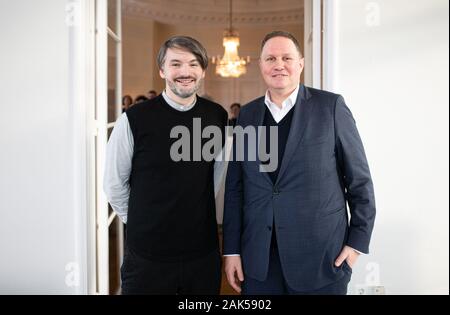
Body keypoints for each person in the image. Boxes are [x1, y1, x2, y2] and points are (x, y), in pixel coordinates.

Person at [223, 31, 376, 295]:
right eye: (270, 58)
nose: (278, 64)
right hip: (259, 264)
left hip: (321, 261)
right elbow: (236, 188)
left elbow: (360, 182)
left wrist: (355, 245)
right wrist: (232, 250)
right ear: (261, 65)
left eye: (286, 57)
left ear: (300, 64)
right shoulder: (247, 114)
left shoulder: (331, 107)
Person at [104, 36, 228, 294]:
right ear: (162, 70)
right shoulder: (134, 119)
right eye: (176, 64)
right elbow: (114, 183)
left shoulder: (217, 115)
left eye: (193, 64)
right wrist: (143, 221)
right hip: (147, 258)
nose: (185, 72)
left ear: (203, 70)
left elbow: (214, 176)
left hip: (202, 255)